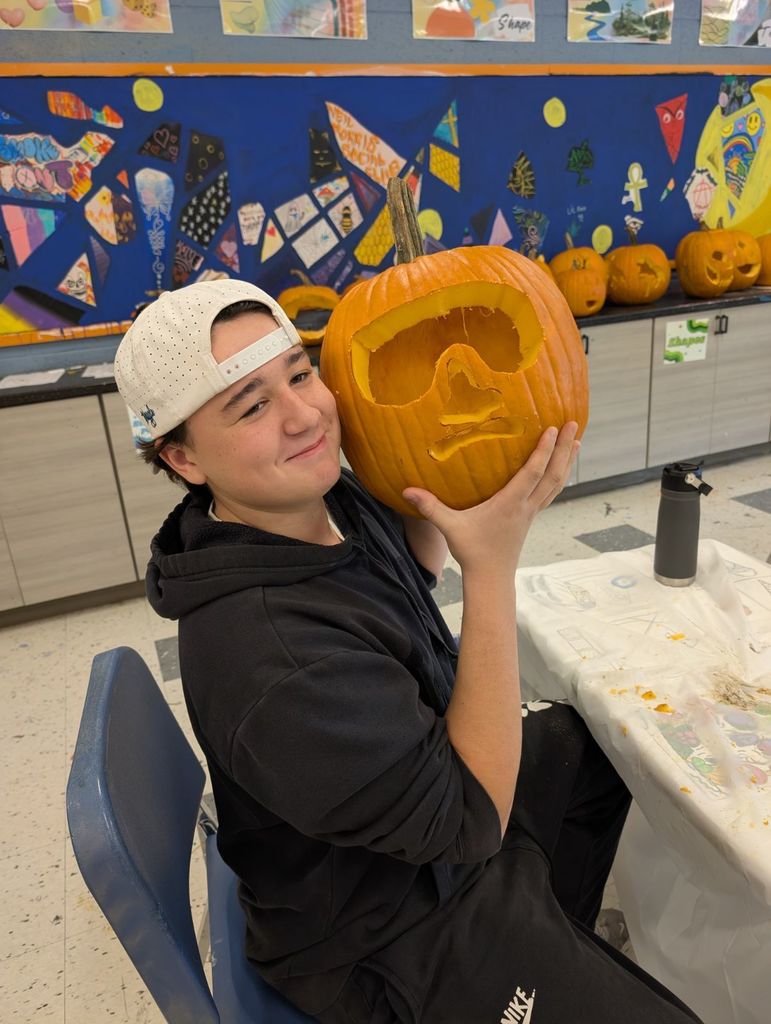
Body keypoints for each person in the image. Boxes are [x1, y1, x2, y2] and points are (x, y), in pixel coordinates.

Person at [115, 278, 702, 1024]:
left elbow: (409, 569)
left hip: (419, 830)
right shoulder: (273, 658)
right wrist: (490, 567)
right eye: (252, 405)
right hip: (380, 936)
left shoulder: (313, 502)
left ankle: (555, 936)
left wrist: (433, 454)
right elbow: (469, 821)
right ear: (184, 459)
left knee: (584, 749)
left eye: (299, 374)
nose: (304, 415)